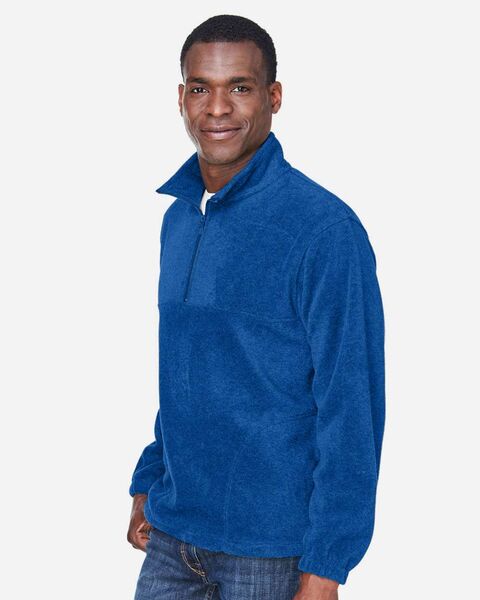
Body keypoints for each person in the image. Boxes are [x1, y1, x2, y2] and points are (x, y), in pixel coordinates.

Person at [127, 14, 385, 600]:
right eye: (201, 88)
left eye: (239, 87)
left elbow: (352, 406)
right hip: (172, 536)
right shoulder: (179, 218)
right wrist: (150, 478)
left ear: (273, 97)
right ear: (181, 98)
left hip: (271, 551)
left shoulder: (324, 231)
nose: (217, 108)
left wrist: (327, 565)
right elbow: (188, 374)